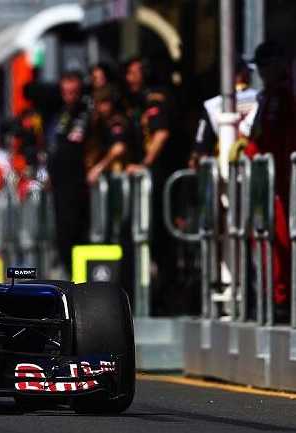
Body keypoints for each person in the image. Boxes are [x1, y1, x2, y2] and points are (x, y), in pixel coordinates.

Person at [237, 42, 296, 321]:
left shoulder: (283, 92)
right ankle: (274, 296)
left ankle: (281, 298)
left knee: (282, 239)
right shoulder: (271, 94)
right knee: (268, 238)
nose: (260, 71)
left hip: (281, 179)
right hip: (270, 179)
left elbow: (274, 137)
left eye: (263, 65)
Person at [122, 57, 181, 313]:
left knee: (156, 241)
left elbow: (161, 133)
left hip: (158, 180)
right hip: (155, 180)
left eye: (134, 73)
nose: (129, 78)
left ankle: (162, 302)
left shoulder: (155, 99)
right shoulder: (140, 101)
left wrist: (145, 164)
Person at [46, 71, 91, 274]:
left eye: (74, 92)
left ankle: (82, 281)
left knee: (78, 234)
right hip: (60, 186)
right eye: (66, 92)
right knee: (62, 235)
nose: (70, 96)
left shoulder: (88, 113)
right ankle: (70, 277)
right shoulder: (60, 117)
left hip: (79, 185)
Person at [190, 56, 258, 172]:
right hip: (256, 168)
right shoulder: (260, 98)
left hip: (224, 171)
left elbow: (201, 149)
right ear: (243, 73)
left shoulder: (211, 105)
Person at [86, 86, 130, 184]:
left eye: (106, 103)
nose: (103, 108)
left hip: (119, 178)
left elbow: (119, 148)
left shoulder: (116, 122)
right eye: (99, 103)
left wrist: (99, 168)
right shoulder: (99, 124)